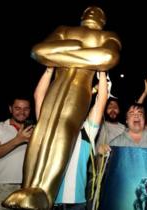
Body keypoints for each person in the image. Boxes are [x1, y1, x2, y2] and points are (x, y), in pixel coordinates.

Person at [3, 6, 121, 210]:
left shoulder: (107, 36)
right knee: (43, 131)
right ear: (82, 14)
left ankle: (45, 191)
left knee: (64, 130)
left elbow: (108, 58)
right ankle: (28, 187)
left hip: (78, 95)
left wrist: (63, 51)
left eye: (99, 11)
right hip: (56, 89)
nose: (93, 12)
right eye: (89, 9)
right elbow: (38, 51)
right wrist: (82, 55)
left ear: (104, 19)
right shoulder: (64, 29)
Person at [31, 67, 108, 210]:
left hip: (76, 202)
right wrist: (49, 69)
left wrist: (102, 71)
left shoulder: (87, 131)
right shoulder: (49, 125)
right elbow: (39, 96)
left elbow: (102, 99)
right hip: (47, 201)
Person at [0, 96, 34, 210]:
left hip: (28, 187)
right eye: (17, 108)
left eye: (26, 108)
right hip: (2, 186)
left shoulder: (35, 130)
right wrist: (18, 140)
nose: (22, 112)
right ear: (10, 109)